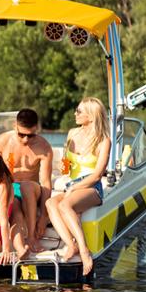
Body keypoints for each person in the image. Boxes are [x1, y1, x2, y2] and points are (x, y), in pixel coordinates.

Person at [45, 97, 111, 275]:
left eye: (79, 111)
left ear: (91, 115)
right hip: (72, 183)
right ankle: (71, 244)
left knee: (65, 204)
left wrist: (75, 188)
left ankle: (84, 250)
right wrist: (64, 166)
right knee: (50, 203)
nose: (75, 113)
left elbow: (97, 175)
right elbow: (67, 162)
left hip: (91, 187)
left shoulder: (104, 140)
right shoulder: (72, 133)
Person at [0, 108, 53, 251]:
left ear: (36, 129)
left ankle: (32, 238)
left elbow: (45, 183)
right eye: (21, 135)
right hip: (10, 189)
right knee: (16, 210)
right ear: (15, 126)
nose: (26, 140)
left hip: (32, 188)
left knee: (26, 186)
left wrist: (44, 216)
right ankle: (20, 247)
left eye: (31, 135)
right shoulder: (2, 141)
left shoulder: (44, 147)